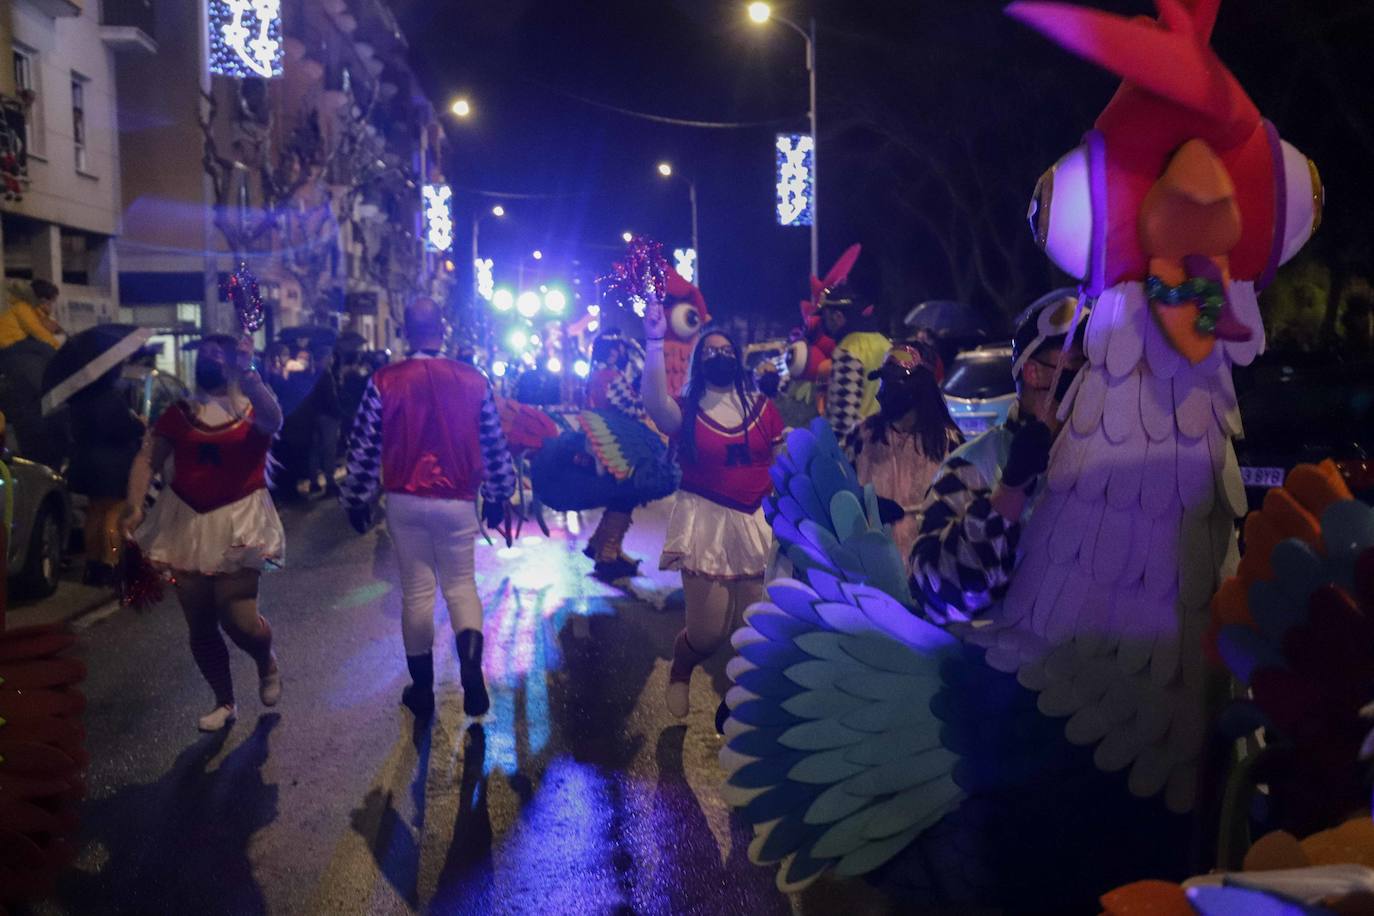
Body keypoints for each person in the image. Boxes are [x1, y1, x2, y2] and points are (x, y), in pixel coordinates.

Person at [340, 298, 516, 719]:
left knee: (417, 592)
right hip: (456, 501)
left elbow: (363, 447)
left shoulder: (384, 380)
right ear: (443, 328)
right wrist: (499, 493)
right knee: (461, 587)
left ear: (405, 329)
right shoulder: (475, 380)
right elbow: (494, 444)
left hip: (404, 499)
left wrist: (356, 499)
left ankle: (422, 690)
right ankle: (471, 668)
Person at [123, 334, 285, 732]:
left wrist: (249, 374)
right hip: (187, 521)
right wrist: (134, 504)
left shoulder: (252, 407)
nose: (210, 359)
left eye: (219, 353)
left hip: (239, 519)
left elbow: (275, 419)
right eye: (205, 354)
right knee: (199, 621)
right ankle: (224, 701)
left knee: (239, 618)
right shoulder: (179, 413)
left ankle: (266, 661)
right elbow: (148, 458)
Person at [641, 297, 784, 722]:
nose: (719, 357)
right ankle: (682, 666)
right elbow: (654, 405)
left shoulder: (764, 409)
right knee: (708, 632)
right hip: (705, 521)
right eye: (711, 351)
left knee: (755, 628)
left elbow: (781, 466)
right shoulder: (684, 411)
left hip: (757, 523)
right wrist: (653, 341)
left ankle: (739, 701)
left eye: (726, 351)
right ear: (699, 362)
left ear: (737, 359)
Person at [910, 290, 1088, 622]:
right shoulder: (971, 464)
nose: (1088, 378)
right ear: (1034, 373)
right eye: (1077, 366)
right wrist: (1010, 490)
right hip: (1008, 666)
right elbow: (936, 593)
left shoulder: (1104, 457)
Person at [844, 342, 962, 560]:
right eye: (883, 382)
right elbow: (840, 494)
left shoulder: (948, 444)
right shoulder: (862, 436)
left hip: (929, 573)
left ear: (919, 386)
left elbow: (964, 513)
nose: (883, 392)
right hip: (873, 570)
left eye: (893, 383)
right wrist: (864, 505)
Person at [67, 361, 145, 586]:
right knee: (113, 513)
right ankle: (110, 563)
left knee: (94, 513)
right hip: (112, 463)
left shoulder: (79, 397)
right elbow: (124, 429)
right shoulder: (111, 397)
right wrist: (139, 424)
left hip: (87, 461)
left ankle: (92, 566)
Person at [582, 332, 648, 578]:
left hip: (602, 442)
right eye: (619, 349)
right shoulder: (611, 377)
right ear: (613, 352)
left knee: (619, 497)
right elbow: (634, 408)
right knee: (626, 495)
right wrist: (643, 393)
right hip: (617, 443)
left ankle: (601, 544)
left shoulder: (594, 376)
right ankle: (608, 554)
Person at [0, 279, 65, 466]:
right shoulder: (22, 308)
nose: (52, 306)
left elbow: (42, 324)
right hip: (10, 347)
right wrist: (54, 346)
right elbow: (36, 330)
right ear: (43, 300)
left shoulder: (31, 312)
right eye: (52, 301)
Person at [820, 282, 891, 442]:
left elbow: (843, 417)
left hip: (859, 447)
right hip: (886, 443)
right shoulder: (885, 344)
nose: (825, 325)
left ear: (838, 317)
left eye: (826, 318)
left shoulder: (849, 349)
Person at [306, 344, 341, 495]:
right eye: (330, 356)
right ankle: (330, 482)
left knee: (314, 450)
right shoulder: (326, 375)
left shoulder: (310, 374)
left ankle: (313, 482)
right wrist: (339, 414)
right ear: (326, 358)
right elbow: (331, 399)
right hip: (327, 417)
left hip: (313, 416)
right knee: (328, 450)